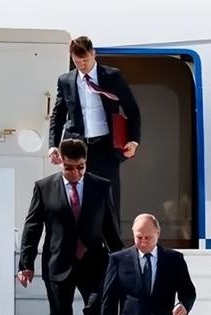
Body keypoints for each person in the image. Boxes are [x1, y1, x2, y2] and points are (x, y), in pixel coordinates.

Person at [18, 138, 123, 315]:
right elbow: (33, 227)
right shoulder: (44, 187)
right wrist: (26, 263)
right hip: (58, 263)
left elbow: (110, 228)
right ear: (60, 163)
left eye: (80, 167)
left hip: (94, 263)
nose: (75, 173)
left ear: (86, 163)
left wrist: (123, 263)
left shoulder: (101, 186)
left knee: (97, 311)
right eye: (69, 167)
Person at [48, 35, 141, 222]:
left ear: (93, 54)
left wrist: (133, 140)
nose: (82, 65)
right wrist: (53, 145)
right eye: (77, 61)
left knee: (109, 199)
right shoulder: (66, 80)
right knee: (76, 198)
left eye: (85, 60)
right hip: (77, 147)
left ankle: (110, 239)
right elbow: (58, 115)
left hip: (105, 146)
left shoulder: (112, 76)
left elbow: (131, 109)